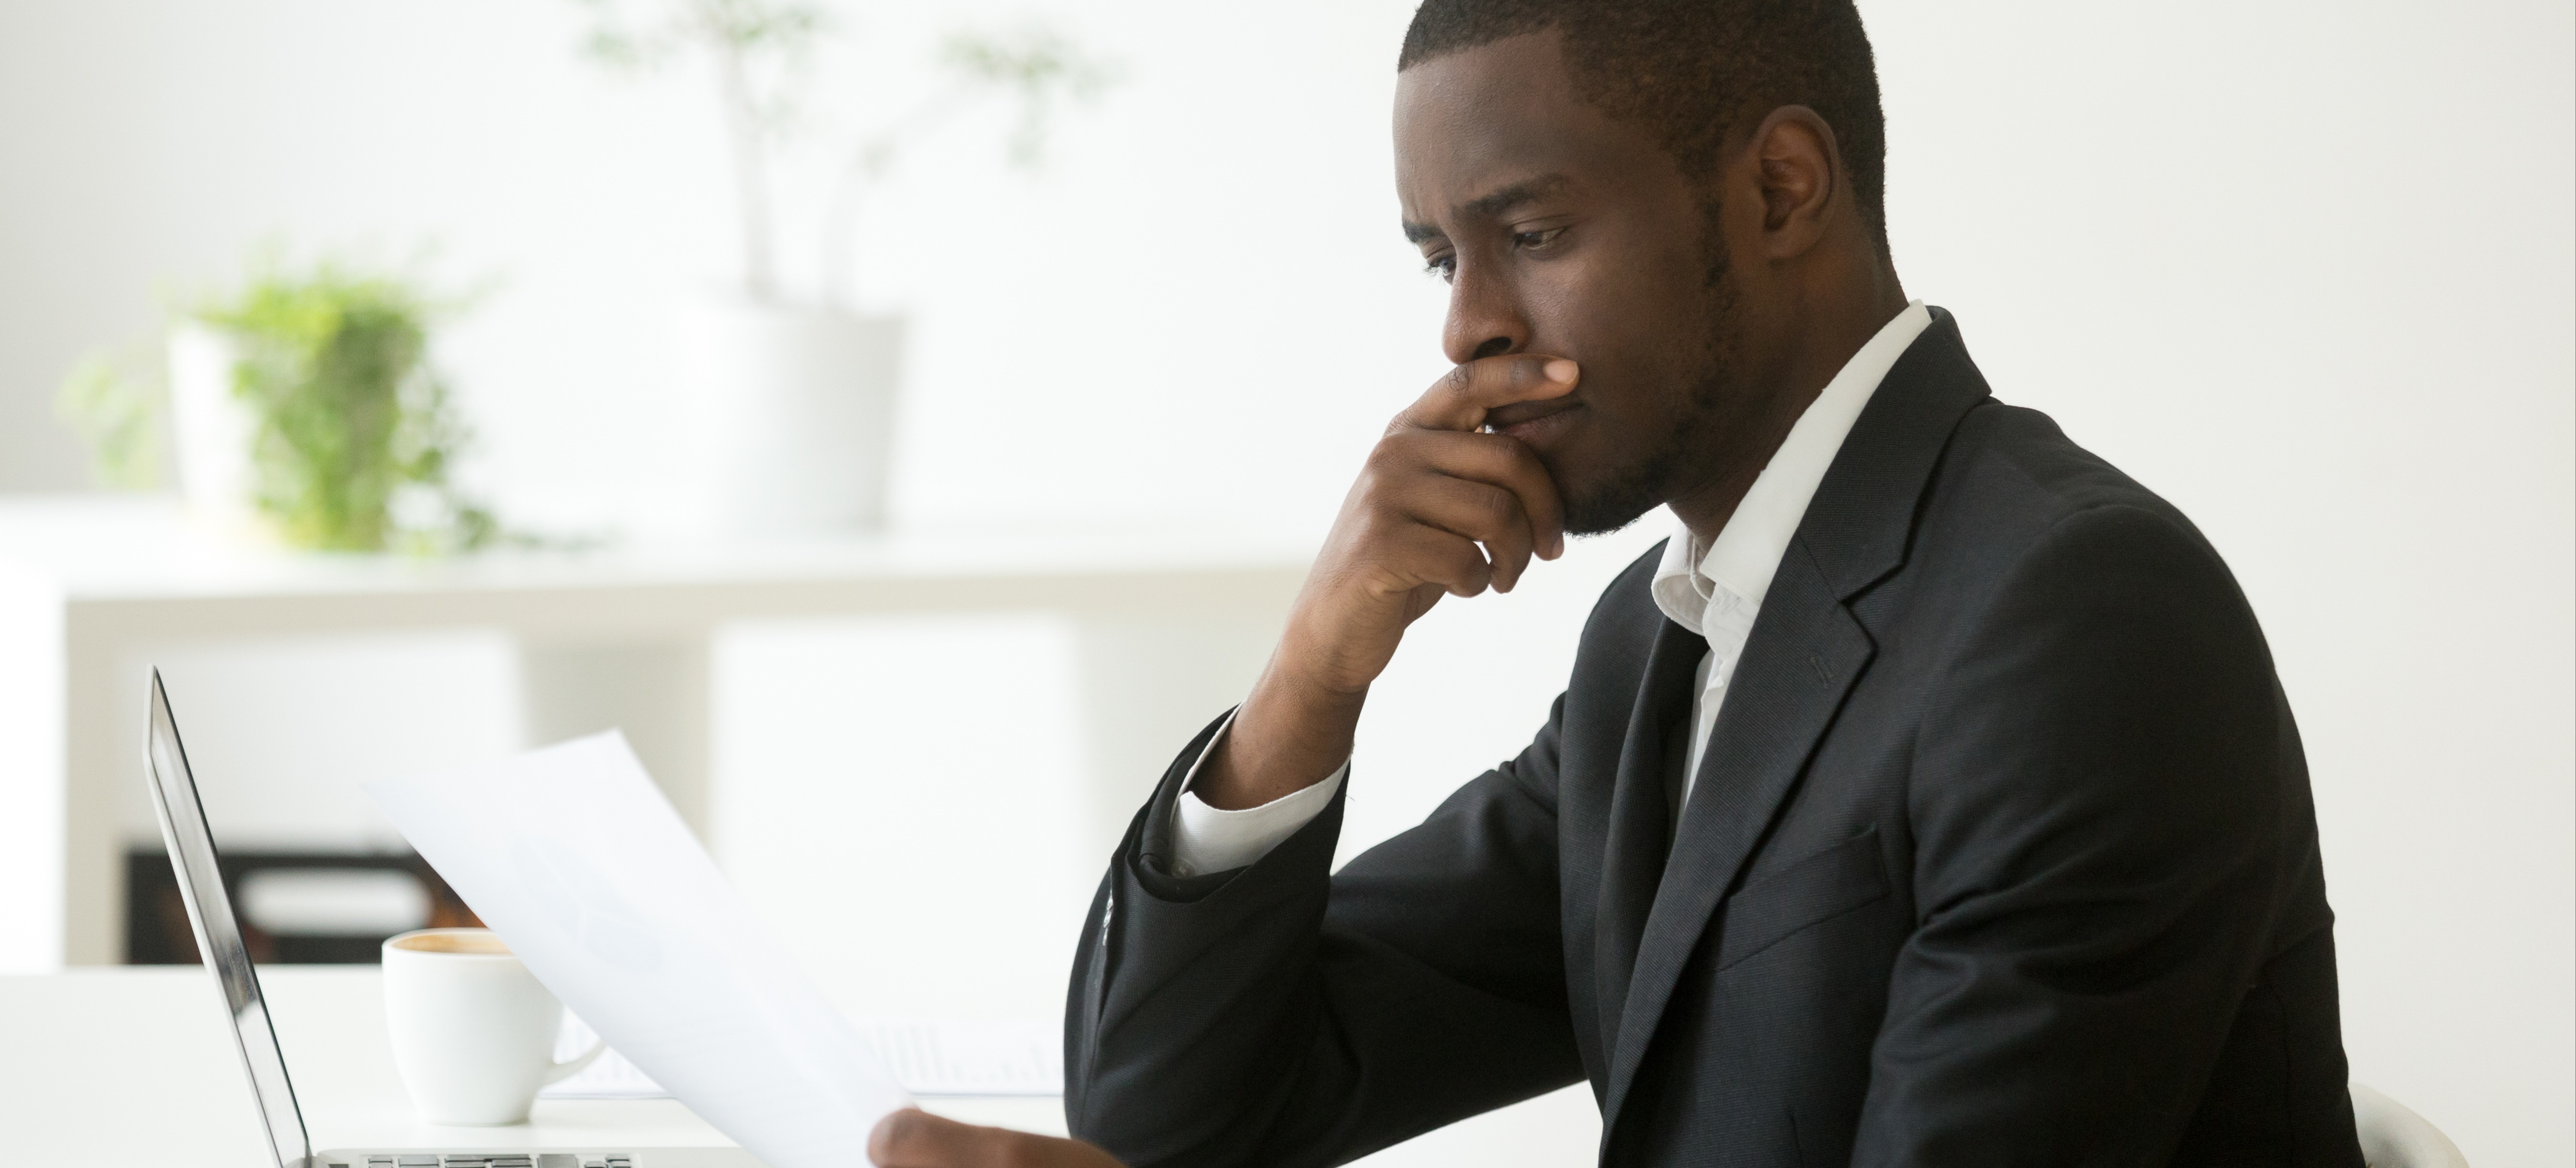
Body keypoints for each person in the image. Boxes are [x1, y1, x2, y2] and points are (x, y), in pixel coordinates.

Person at [874, 1, 2365, 1164]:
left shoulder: (2074, 623)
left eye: (1530, 234)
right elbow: (1170, 1117)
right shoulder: (1658, 649)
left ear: (1783, 187)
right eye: (1436, 260)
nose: (1467, 327)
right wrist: (1310, 679)